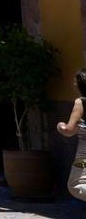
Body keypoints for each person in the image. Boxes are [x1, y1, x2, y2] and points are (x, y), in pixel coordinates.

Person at [55, 69, 86, 201]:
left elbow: (69, 131)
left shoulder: (81, 102)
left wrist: (60, 126)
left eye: (75, 82)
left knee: (75, 185)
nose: (73, 85)